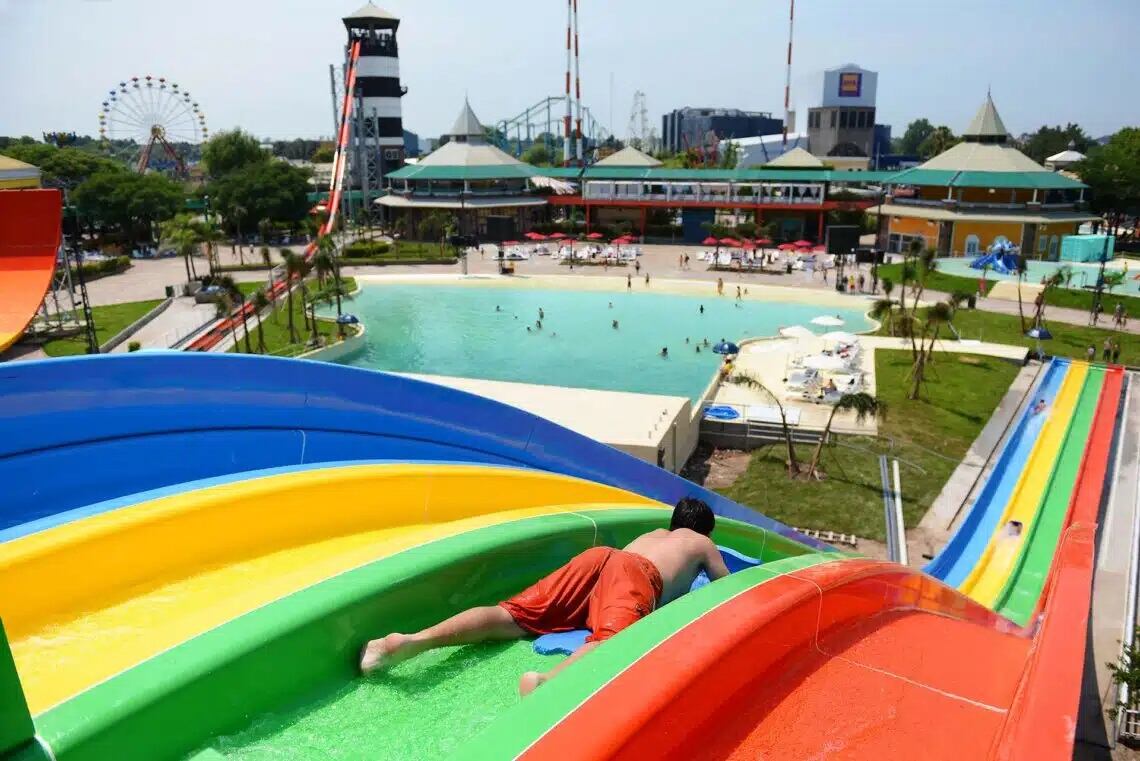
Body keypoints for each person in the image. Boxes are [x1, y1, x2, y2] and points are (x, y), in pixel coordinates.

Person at [358, 498, 730, 695]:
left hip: (602, 558)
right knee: (614, 642)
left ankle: (410, 641)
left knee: (512, 615)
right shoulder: (701, 541)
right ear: (704, 529)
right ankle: (547, 683)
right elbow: (726, 586)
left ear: (673, 521)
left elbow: (620, 568)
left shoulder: (653, 533)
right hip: (634, 577)